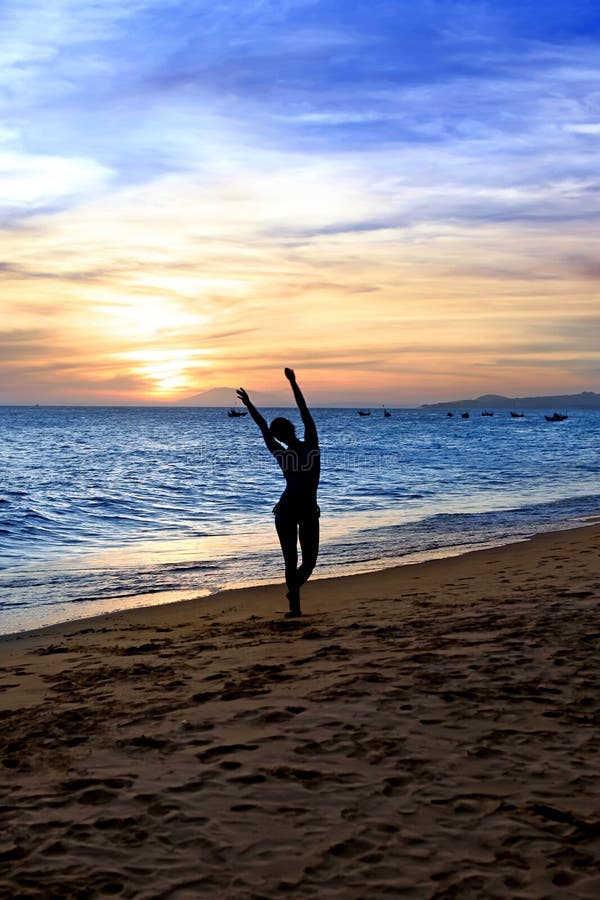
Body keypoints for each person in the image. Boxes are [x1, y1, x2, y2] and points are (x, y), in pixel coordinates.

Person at [236, 368, 320, 617]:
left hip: (305, 509)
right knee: (292, 560)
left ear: (289, 431)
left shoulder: (308, 444)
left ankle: (293, 593)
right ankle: (294, 607)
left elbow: (302, 415)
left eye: (283, 432)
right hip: (287, 510)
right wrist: (251, 405)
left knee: (308, 561)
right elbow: (266, 425)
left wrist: (293, 383)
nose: (284, 436)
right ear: (282, 435)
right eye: (280, 434)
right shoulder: (284, 451)